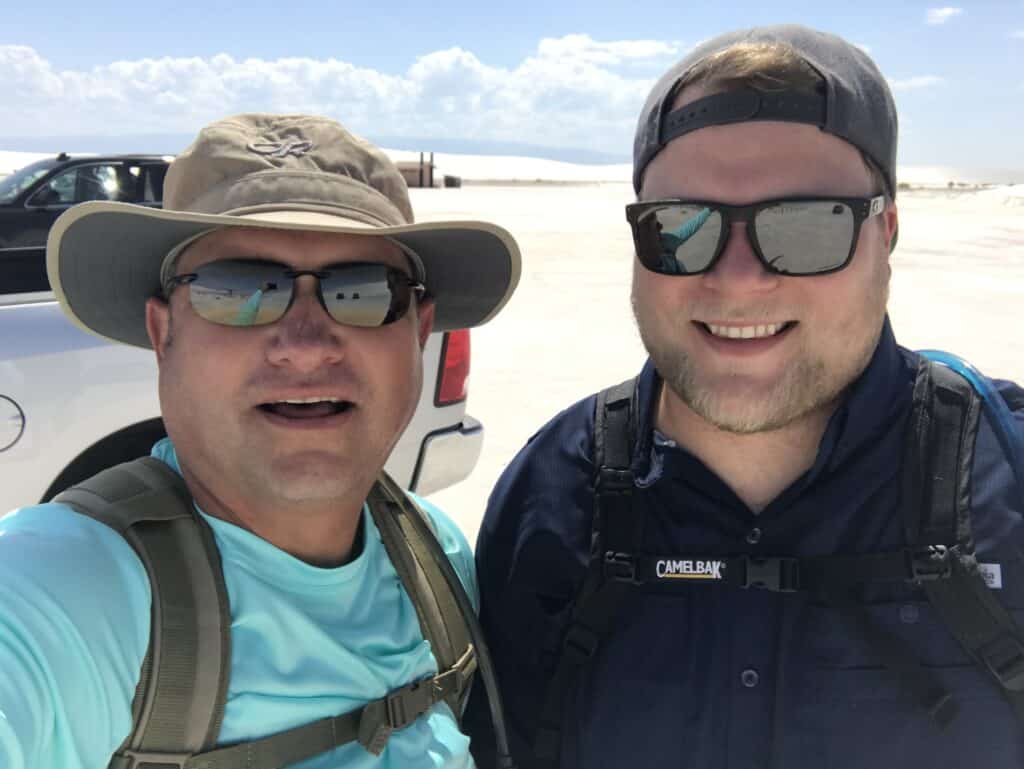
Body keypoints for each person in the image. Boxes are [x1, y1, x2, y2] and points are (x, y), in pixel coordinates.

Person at [465, 24, 1024, 769]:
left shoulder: (1005, 482)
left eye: (804, 223)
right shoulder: (551, 496)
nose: (736, 279)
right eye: (680, 227)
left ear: (885, 234)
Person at [0, 113, 521, 769]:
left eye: (361, 291)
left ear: (417, 333)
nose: (305, 346)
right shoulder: (62, 592)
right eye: (237, 289)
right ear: (164, 336)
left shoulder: (437, 560)